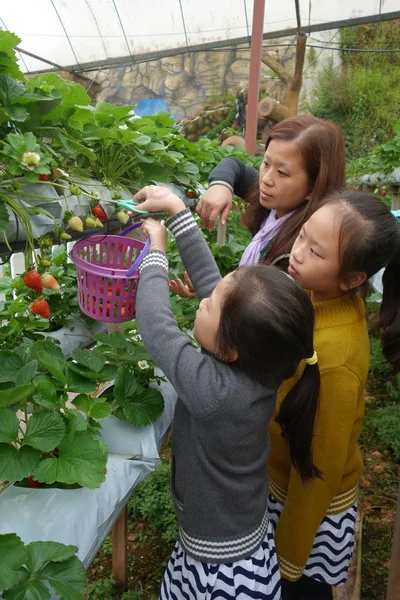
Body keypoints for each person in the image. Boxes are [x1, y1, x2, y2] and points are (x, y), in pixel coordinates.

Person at [133, 184, 321, 600]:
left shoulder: (212, 390)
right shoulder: (261, 364)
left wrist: (156, 252)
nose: (203, 300)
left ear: (229, 350)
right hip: (235, 538)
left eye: (210, 304)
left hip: (219, 571)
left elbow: (155, 325)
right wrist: (179, 210)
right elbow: (211, 282)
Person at [267, 190, 400, 600]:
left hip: (307, 515)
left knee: (301, 592)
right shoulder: (320, 295)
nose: (298, 252)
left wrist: (285, 563)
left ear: (353, 279)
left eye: (316, 251)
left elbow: (317, 471)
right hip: (284, 487)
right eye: (302, 236)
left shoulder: (336, 363)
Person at [169, 114, 345, 298]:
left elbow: (250, 314)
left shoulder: (297, 255)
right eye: (266, 163)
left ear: (313, 187)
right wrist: (221, 184)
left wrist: (209, 286)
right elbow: (234, 165)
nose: (266, 179)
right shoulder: (280, 201)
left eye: (282, 173)